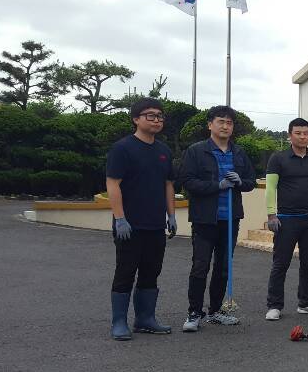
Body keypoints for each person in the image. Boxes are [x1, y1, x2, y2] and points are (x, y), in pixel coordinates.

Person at [104, 97, 176, 340]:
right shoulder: (123, 148)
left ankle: (145, 319)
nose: (156, 120)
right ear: (136, 119)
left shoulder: (164, 151)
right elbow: (113, 184)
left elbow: (168, 185)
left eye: (160, 116)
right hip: (130, 225)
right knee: (125, 272)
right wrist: (120, 218)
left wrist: (172, 215)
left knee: (151, 272)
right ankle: (119, 322)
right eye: (150, 115)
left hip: (155, 225)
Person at [179, 105, 256, 332]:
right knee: (200, 266)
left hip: (230, 219)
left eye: (229, 123)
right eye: (220, 121)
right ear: (210, 124)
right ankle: (194, 312)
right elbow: (188, 181)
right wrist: (217, 186)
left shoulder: (239, 152)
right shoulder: (196, 151)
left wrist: (240, 182)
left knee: (223, 267)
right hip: (205, 219)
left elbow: (251, 181)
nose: (225, 126)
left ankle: (215, 311)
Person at [263, 118, 308, 320]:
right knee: (280, 263)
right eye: (298, 133)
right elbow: (270, 188)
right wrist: (271, 214)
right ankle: (274, 305)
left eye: (306, 133)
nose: (303, 137)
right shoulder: (278, 158)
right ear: (289, 136)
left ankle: (306, 303)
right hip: (286, 219)